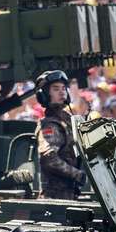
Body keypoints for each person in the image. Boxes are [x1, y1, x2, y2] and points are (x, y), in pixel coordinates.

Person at [35, 70, 86, 199]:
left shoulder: (67, 120)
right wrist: (76, 174)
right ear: (45, 95)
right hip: (55, 197)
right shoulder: (50, 125)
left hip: (69, 193)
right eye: (56, 89)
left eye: (64, 88)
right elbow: (49, 158)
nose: (62, 92)